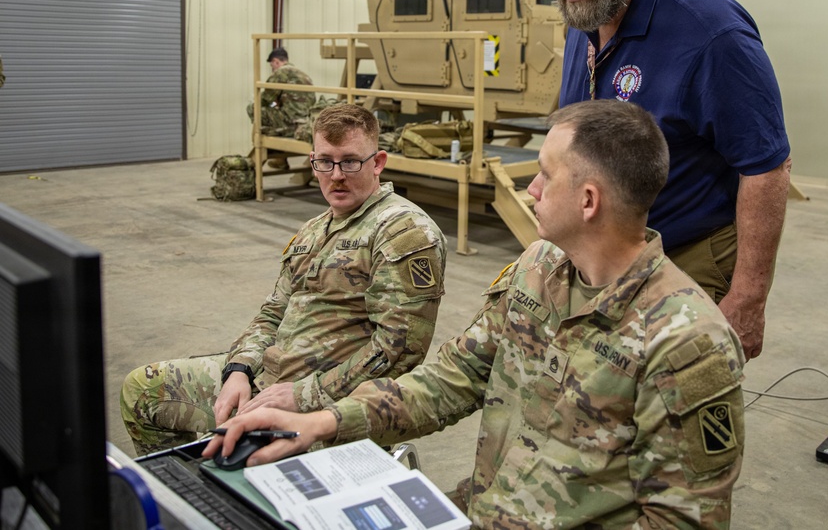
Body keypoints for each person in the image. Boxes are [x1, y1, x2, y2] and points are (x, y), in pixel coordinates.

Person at [205, 99, 746, 528]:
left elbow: (680, 520)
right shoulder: (539, 267)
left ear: (588, 200)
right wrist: (321, 421)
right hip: (482, 509)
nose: (529, 189)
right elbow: (452, 377)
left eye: (542, 175)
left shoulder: (687, 342)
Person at [537, 0, 791, 359]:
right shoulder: (587, 14)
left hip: (686, 251)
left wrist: (748, 299)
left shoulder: (710, 32)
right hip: (604, 252)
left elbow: (766, 166)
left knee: (676, 404)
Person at [122, 104, 447, 455]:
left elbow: (398, 351)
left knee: (257, 475)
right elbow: (273, 312)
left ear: (378, 162)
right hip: (268, 377)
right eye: (325, 161)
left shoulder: (403, 231)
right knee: (142, 389)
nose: (336, 175)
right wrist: (239, 369)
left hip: (329, 402)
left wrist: (303, 395)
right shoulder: (314, 229)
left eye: (350, 161)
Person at [247, 46, 316, 139]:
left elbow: (265, 99)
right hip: (305, 121)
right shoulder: (304, 75)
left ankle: (269, 133)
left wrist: (258, 101)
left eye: (272, 66)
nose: (272, 69)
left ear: (276, 61)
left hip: (288, 121)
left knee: (252, 107)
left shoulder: (280, 73)